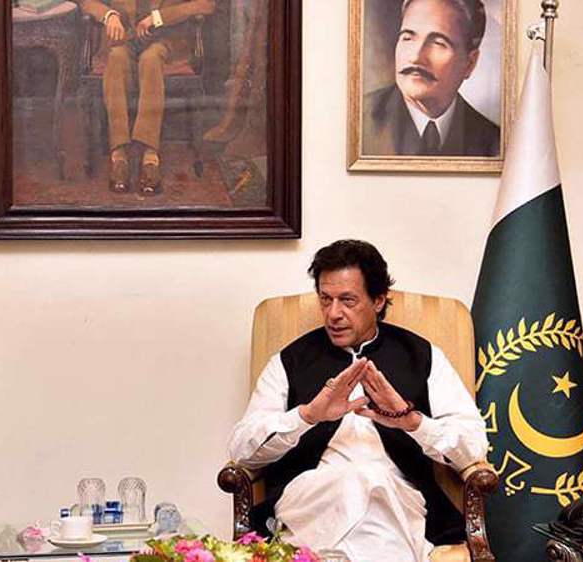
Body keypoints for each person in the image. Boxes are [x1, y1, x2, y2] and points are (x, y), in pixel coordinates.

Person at [227, 240, 487, 562]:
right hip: (310, 498)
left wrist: (411, 421)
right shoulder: (290, 360)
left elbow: (474, 446)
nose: (333, 314)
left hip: (398, 496)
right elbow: (242, 450)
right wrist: (306, 416)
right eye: (325, 299)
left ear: (378, 300)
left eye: (347, 300)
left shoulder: (422, 355)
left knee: (370, 480)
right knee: (356, 482)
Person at [79, 0, 216, 195]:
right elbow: (86, 2)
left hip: (167, 43)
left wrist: (159, 18)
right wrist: (109, 15)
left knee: (150, 59)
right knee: (116, 58)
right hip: (123, 39)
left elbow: (206, 5)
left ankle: (150, 155)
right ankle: (119, 154)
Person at [363, 0, 500, 156]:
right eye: (407, 38)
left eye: (438, 43)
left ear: (469, 63)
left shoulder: (493, 143)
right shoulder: (361, 122)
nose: (416, 57)